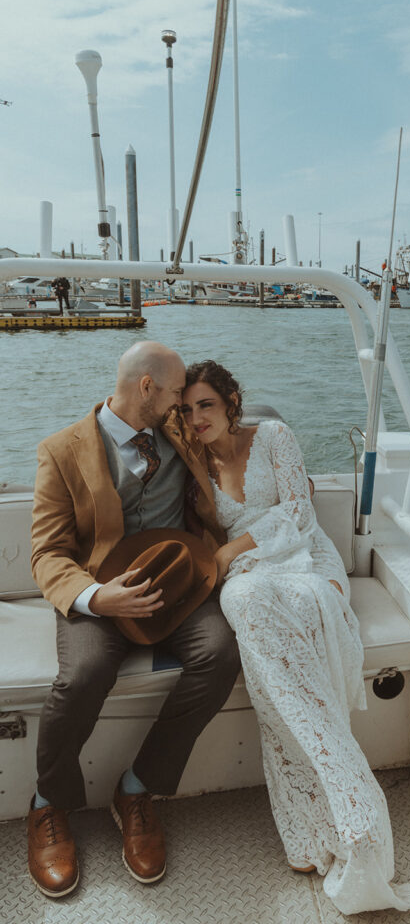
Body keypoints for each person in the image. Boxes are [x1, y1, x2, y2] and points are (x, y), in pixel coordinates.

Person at [181, 360, 410, 916]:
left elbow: (298, 510)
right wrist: (228, 561)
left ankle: (343, 807)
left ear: (232, 400)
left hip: (303, 553)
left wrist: (230, 552)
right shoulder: (192, 465)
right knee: (242, 605)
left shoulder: (275, 436)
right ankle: (316, 820)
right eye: (186, 410)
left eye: (205, 405)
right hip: (249, 576)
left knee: (307, 605)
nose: (196, 419)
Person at [28, 342, 240, 899]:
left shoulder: (180, 433)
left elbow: (234, 442)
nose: (184, 405)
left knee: (220, 653)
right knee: (83, 675)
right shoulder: (61, 450)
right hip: (100, 594)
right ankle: (49, 803)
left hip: (179, 585)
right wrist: (97, 597)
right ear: (146, 388)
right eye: (175, 393)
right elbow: (47, 552)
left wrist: (290, 488)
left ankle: (138, 787)